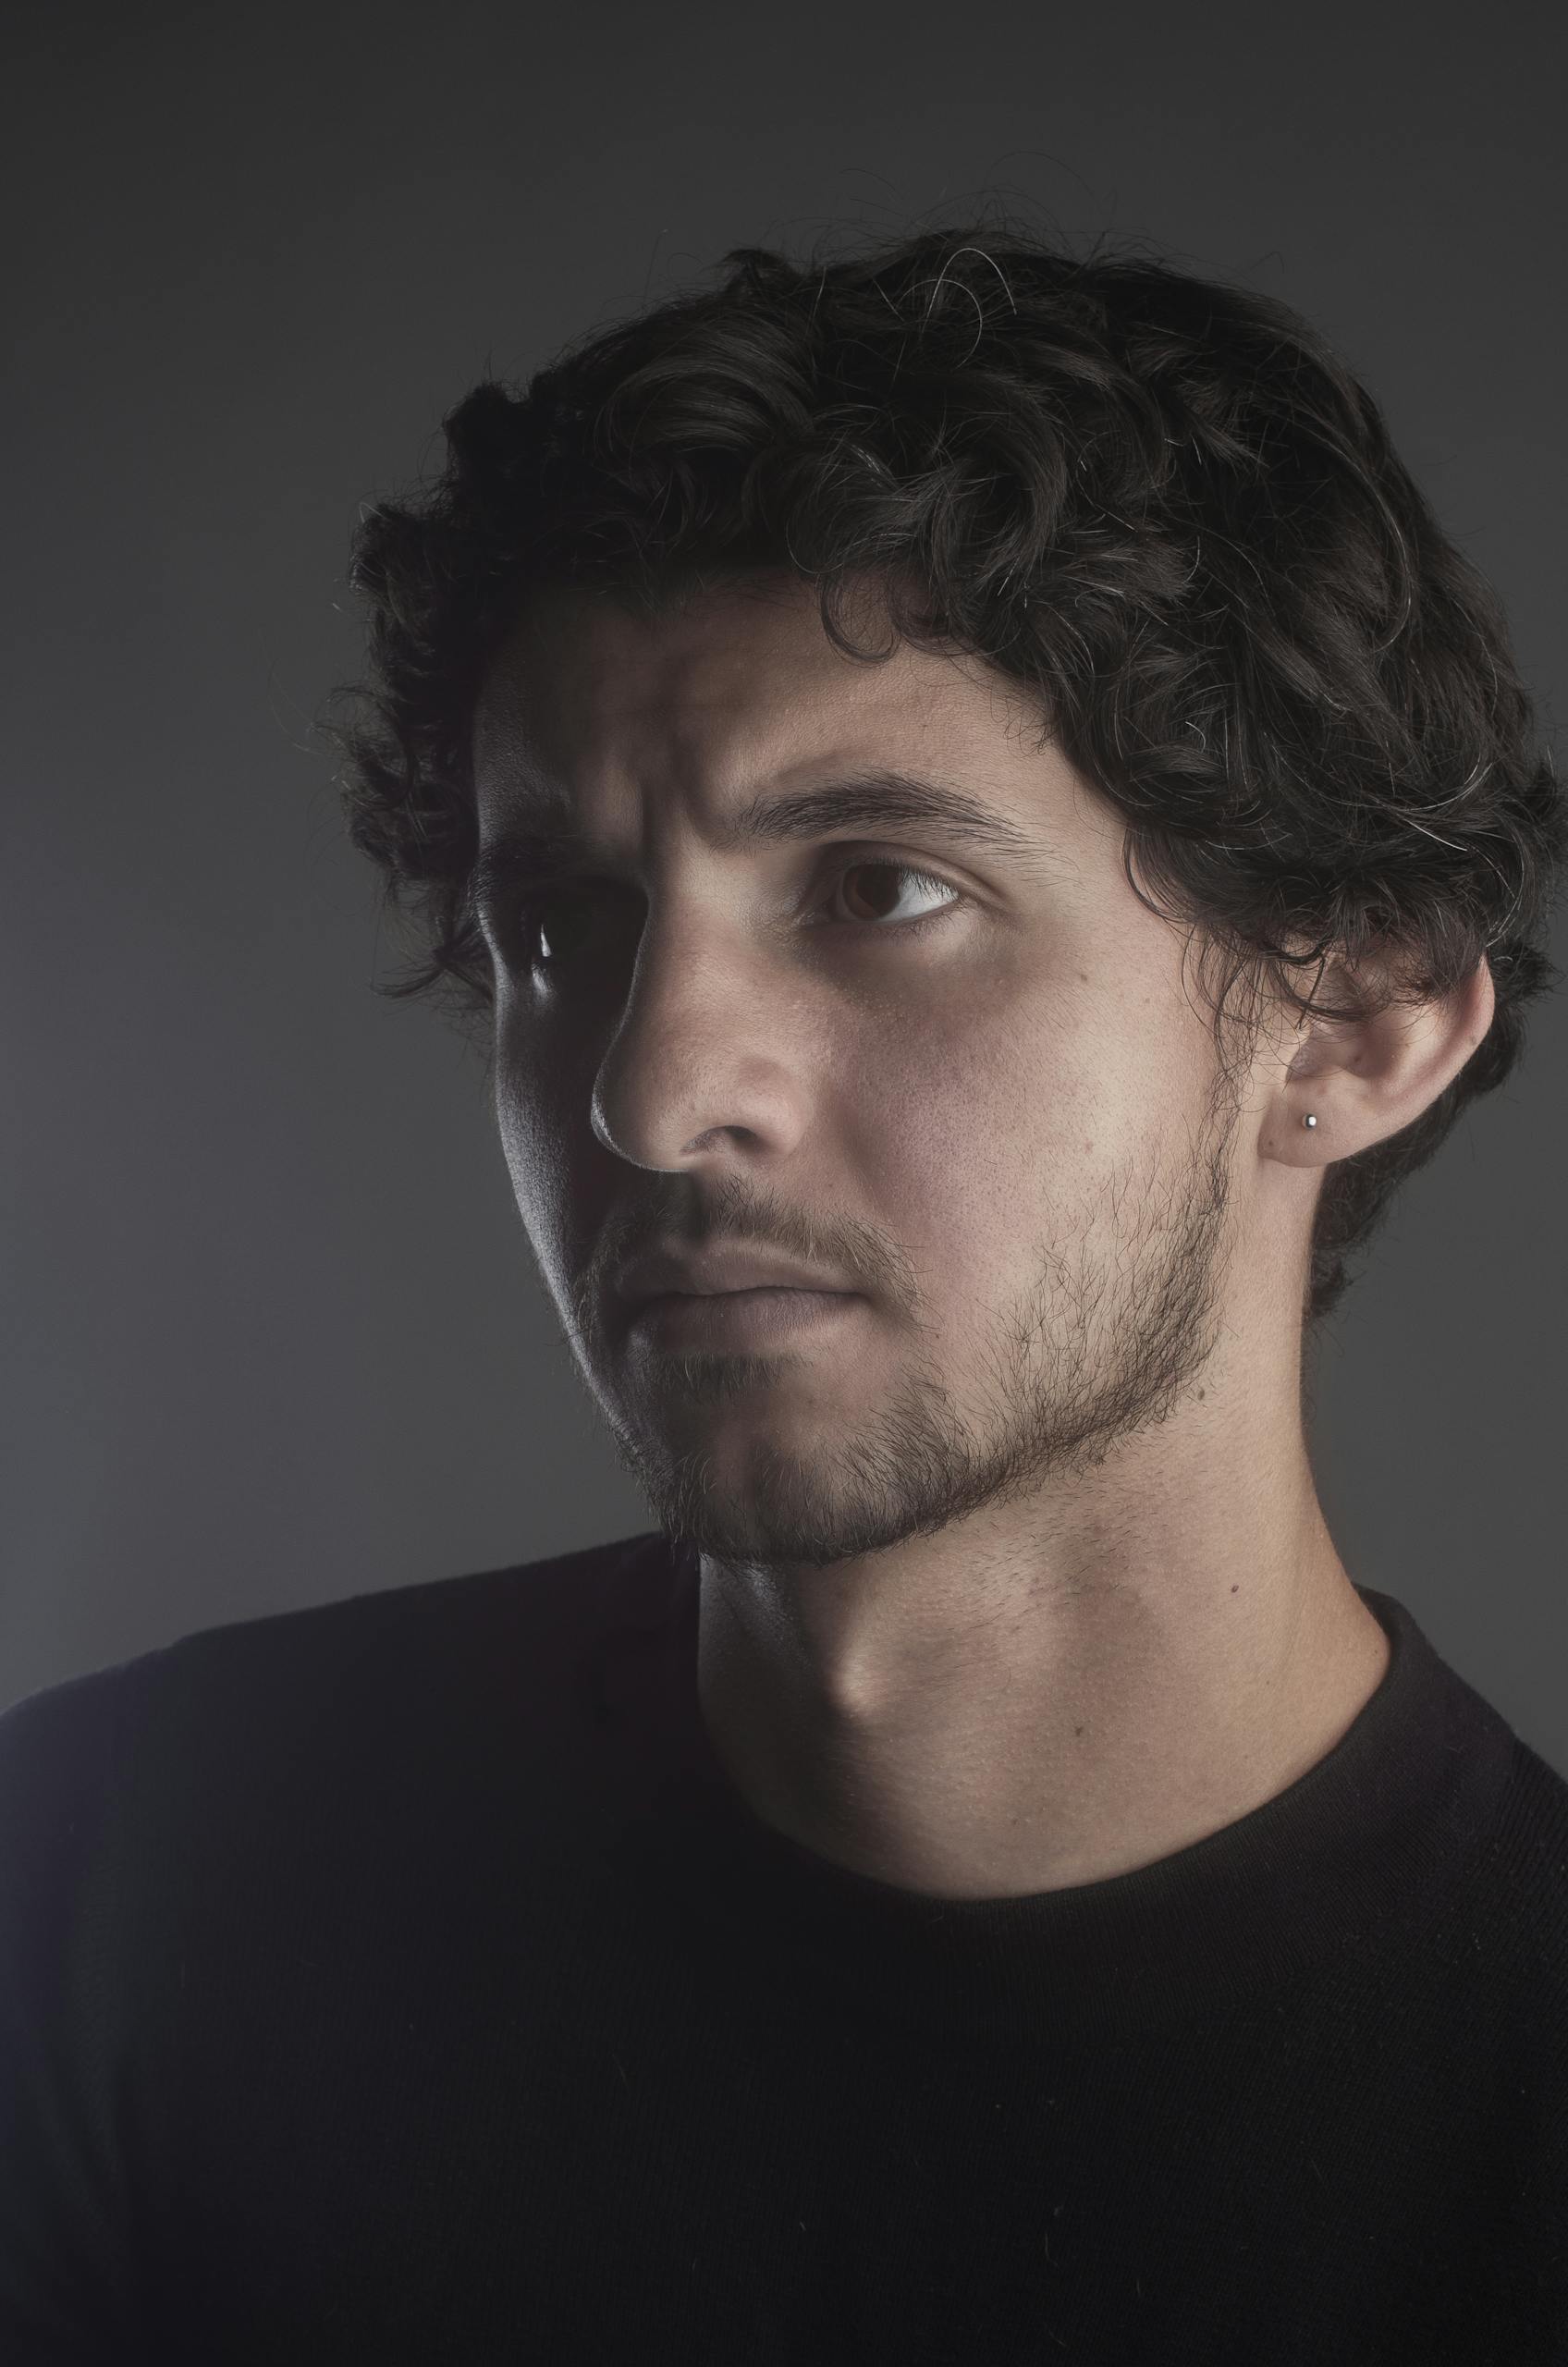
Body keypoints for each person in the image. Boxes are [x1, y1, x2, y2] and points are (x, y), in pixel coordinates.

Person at [4, 219, 1566, 2361]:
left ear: (1353, 1021)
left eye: (879, 888)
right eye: (561, 922)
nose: (647, 1093)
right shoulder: (109, 1893)